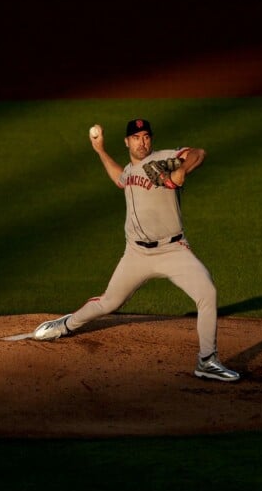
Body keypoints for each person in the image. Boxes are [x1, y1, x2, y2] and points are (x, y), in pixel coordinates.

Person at [32, 118, 240, 382]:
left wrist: (180, 171)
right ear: (127, 142)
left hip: (172, 250)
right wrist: (100, 151)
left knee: (207, 292)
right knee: (109, 302)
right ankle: (65, 325)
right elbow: (119, 178)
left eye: (146, 136)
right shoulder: (130, 171)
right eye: (137, 137)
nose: (143, 142)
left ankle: (207, 361)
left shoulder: (165, 159)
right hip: (136, 255)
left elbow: (199, 153)